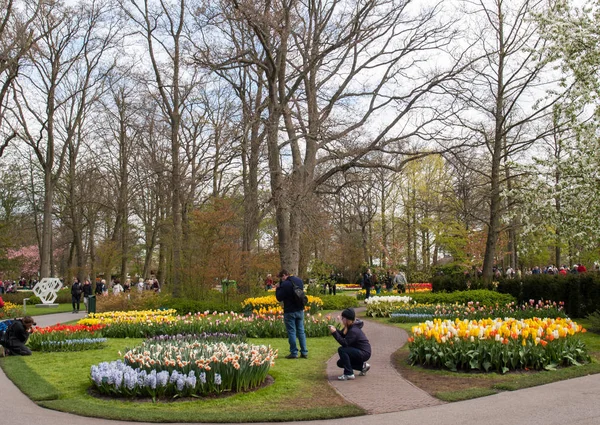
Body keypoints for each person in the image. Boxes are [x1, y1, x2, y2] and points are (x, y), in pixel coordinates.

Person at [328, 308, 371, 381]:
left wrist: (335, 333)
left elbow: (345, 343)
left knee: (342, 350)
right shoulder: (349, 327)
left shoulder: (354, 330)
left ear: (347, 319)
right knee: (340, 363)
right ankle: (363, 366)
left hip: (364, 352)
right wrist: (335, 330)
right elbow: (342, 335)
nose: (342, 319)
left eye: (343, 318)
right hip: (359, 351)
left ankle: (349, 374)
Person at [275, 269, 308, 359]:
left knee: (292, 332)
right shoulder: (299, 280)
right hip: (300, 309)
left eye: (281, 278)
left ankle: (294, 352)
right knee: (301, 331)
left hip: (289, 311)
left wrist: (278, 288)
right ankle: (304, 352)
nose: (281, 280)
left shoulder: (285, 284)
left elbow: (279, 298)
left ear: (284, 275)